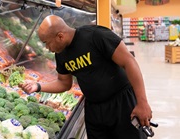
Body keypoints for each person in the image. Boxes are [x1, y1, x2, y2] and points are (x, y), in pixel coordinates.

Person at [19, 15, 152, 139]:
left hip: (121, 103)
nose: (47, 48)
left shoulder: (96, 36)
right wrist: (37, 86)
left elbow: (129, 62)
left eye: (46, 43)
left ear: (60, 36)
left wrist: (142, 103)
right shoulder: (61, 54)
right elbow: (64, 83)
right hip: (94, 109)